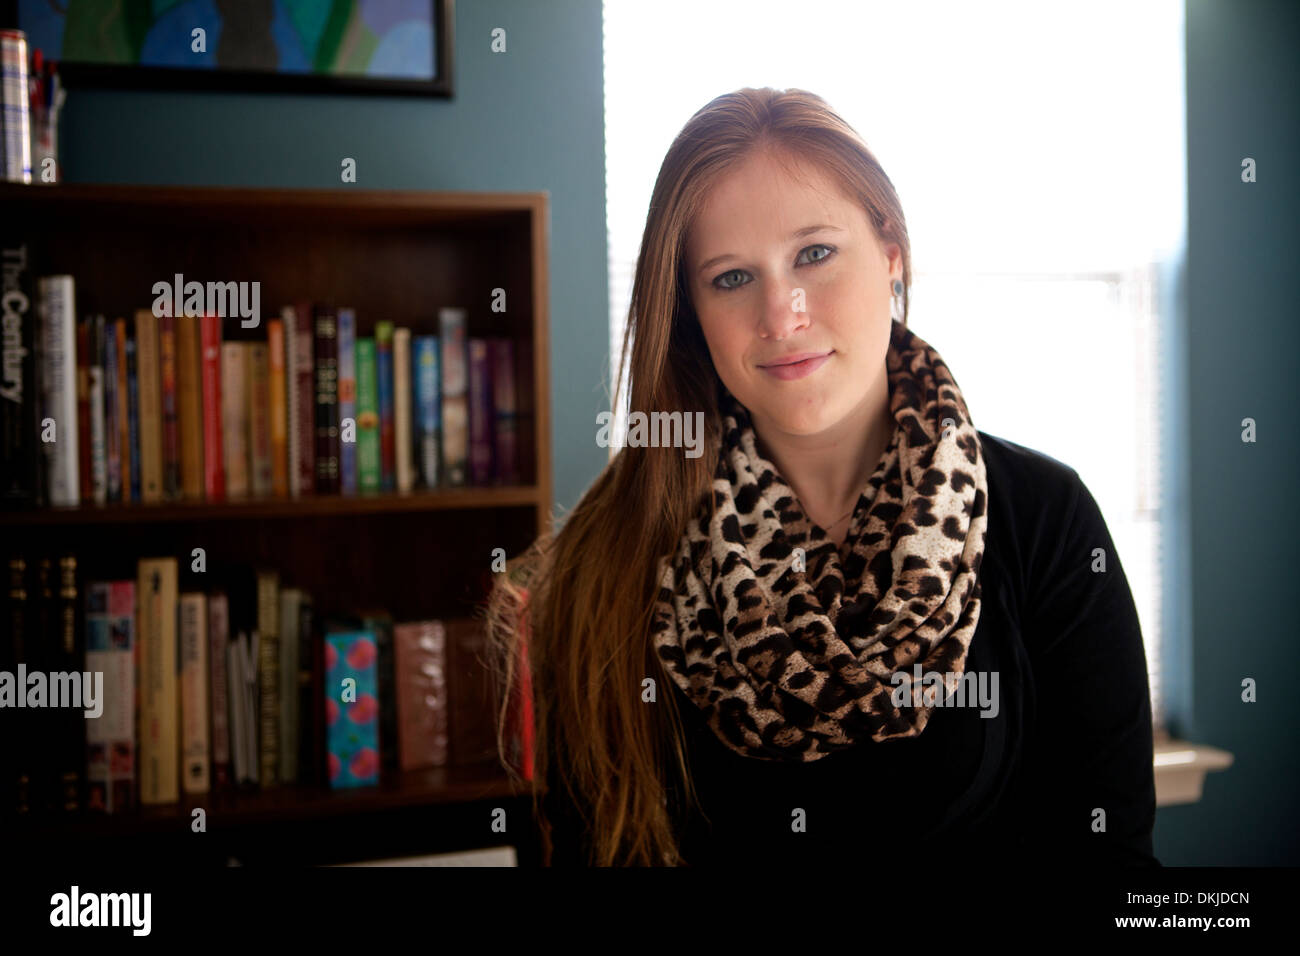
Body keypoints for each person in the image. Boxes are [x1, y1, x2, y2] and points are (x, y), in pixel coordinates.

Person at [485, 87, 1158, 867]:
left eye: (814, 254)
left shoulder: (1044, 519)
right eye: (731, 277)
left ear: (891, 251)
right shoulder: (607, 562)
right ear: (690, 311)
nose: (782, 313)